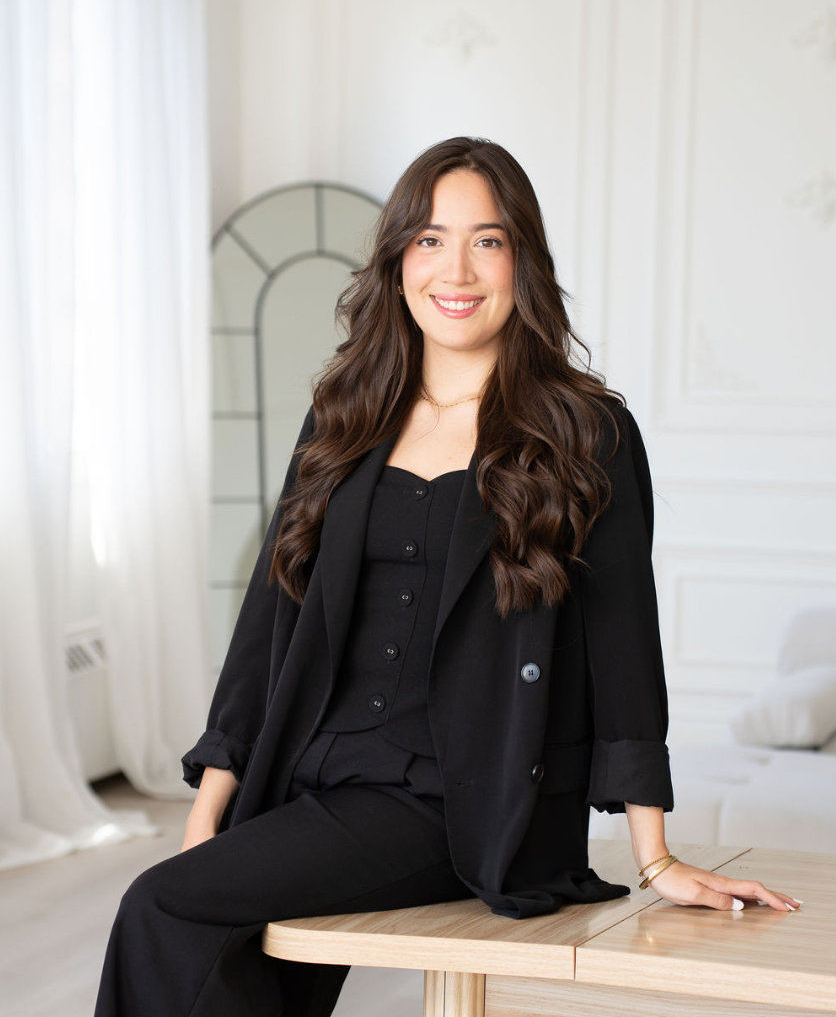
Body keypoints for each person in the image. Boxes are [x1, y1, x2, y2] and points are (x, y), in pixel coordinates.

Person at [94, 137, 799, 1017]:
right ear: (395, 264)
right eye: (428, 240)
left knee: (160, 907)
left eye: (486, 240)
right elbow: (271, 619)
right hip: (307, 769)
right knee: (229, 956)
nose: (454, 268)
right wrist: (212, 806)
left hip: (455, 791)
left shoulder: (585, 431)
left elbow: (623, 644)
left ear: (522, 263)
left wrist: (654, 856)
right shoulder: (343, 411)